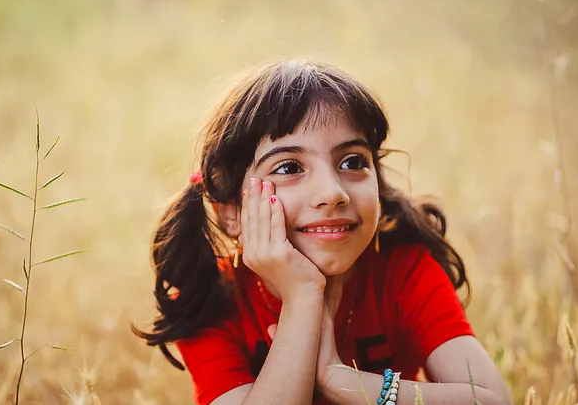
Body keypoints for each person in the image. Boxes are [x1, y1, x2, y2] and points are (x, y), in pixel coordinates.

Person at [133, 59, 512, 405]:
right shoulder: (211, 301)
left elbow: (493, 401)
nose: (333, 193)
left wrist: (342, 380)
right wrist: (301, 297)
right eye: (288, 168)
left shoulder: (404, 272)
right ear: (231, 212)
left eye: (352, 161)